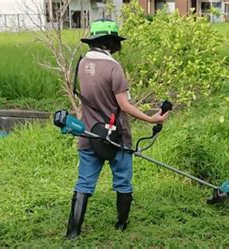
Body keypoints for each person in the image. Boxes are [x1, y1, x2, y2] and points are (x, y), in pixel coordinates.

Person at [66, 19, 169, 239]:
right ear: (111, 43)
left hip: (89, 134)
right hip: (116, 136)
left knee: (84, 182)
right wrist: (151, 120)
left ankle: (73, 232)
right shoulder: (113, 67)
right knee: (122, 181)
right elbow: (124, 105)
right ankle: (121, 225)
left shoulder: (82, 64)